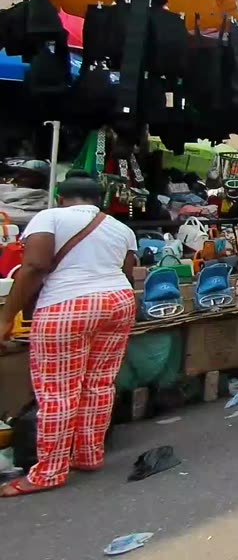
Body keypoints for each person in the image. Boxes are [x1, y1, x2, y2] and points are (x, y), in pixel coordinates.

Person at [0, 171, 138, 497]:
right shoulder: (121, 227)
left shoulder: (50, 216)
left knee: (57, 392)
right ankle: (89, 454)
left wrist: (7, 318)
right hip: (118, 300)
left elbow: (33, 266)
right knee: (100, 383)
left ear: (61, 197)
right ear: (99, 200)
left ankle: (48, 472)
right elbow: (127, 272)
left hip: (67, 305)